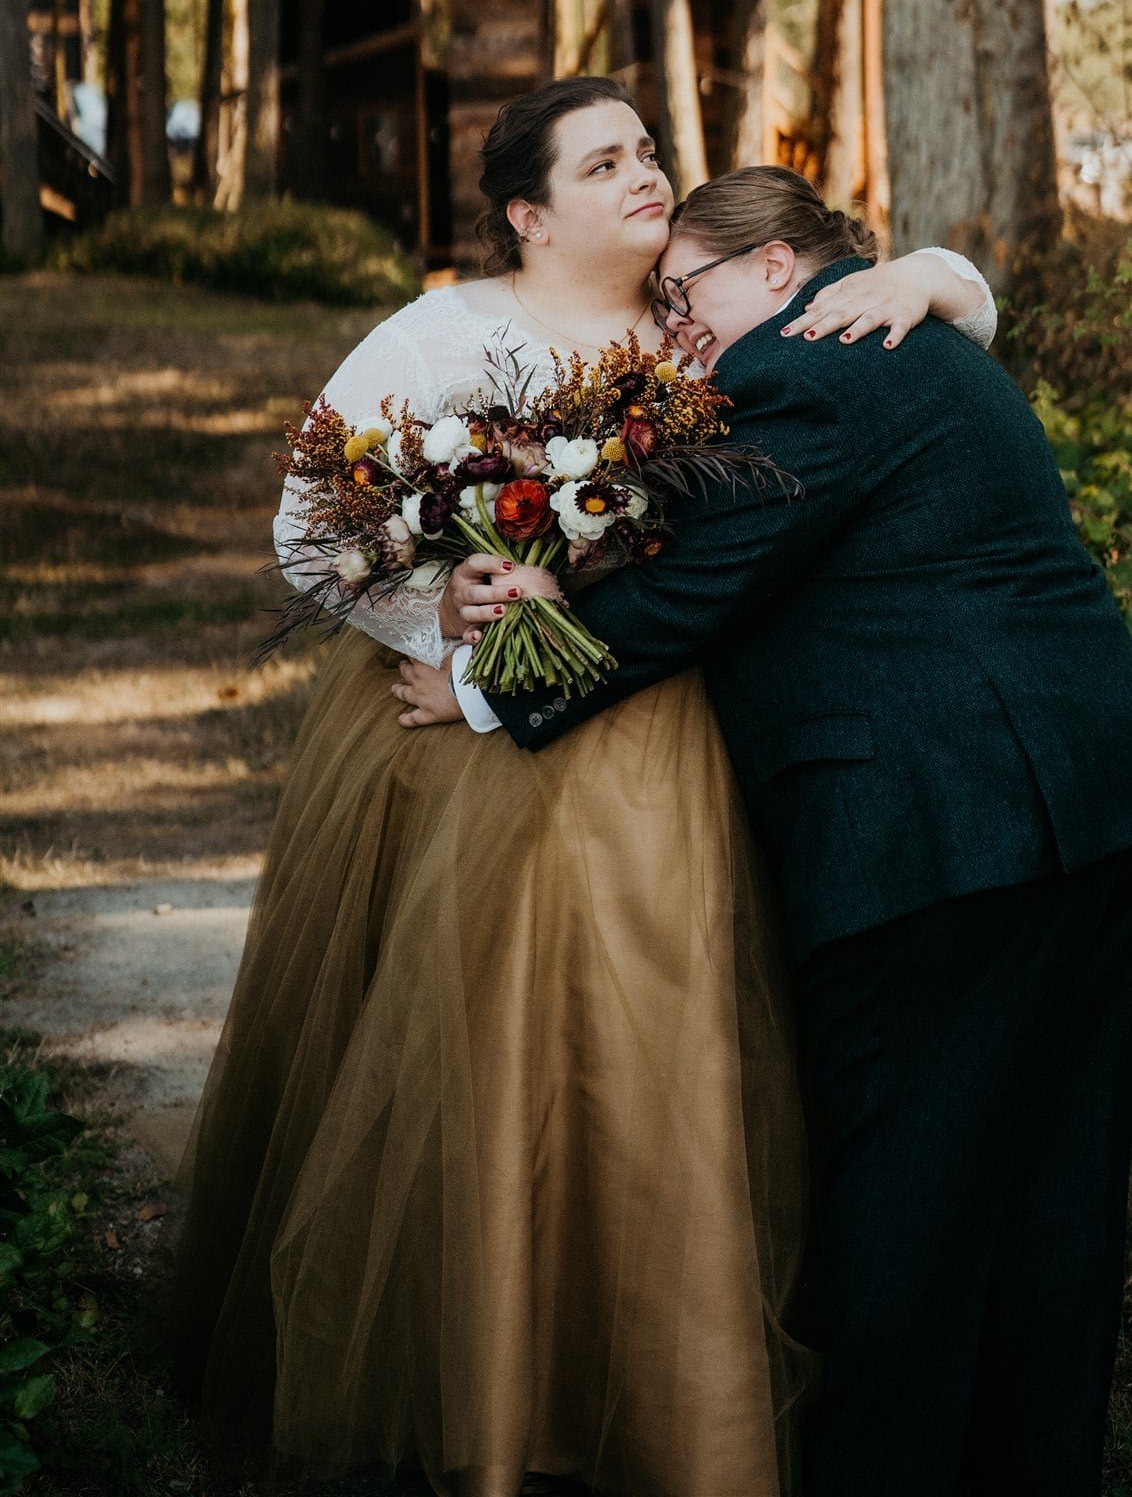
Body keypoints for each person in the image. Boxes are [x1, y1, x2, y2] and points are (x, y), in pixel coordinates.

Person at [166, 77, 998, 1497]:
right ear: (527, 212)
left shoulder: (708, 318)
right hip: (463, 748)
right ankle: (485, 1379)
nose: (645, 173)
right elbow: (311, 530)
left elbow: (931, 316)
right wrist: (448, 599)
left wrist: (928, 272)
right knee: (479, 1058)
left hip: (671, 744)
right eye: (604, 160)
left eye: (648, 150)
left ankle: (662, 1388)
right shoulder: (442, 334)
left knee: (662, 1048)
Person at [411, 164, 1132, 1497]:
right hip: (1096, 799)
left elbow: (692, 601)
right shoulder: (925, 342)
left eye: (681, 296)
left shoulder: (803, 371)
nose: (672, 331)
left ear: (775, 272)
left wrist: (483, 685)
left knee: (902, 1204)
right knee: (1051, 1188)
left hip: (940, 833)